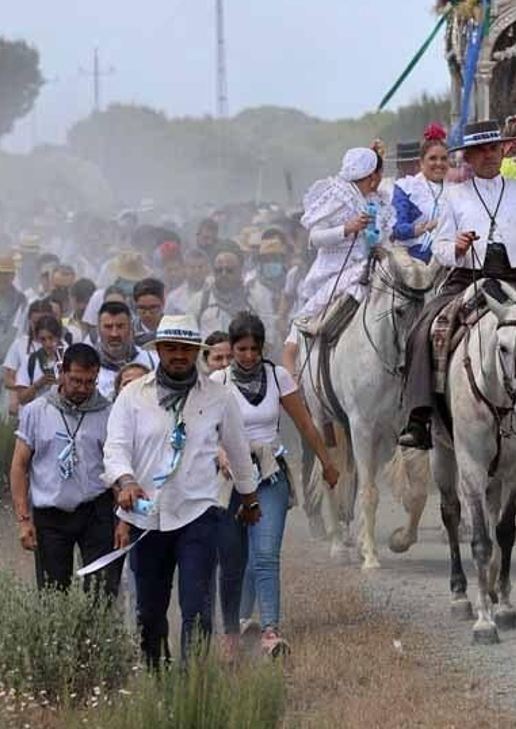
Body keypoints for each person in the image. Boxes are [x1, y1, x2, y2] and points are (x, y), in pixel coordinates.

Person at [397, 120, 516, 453]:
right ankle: (419, 417)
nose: (489, 155)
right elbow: (440, 247)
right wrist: (456, 247)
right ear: (468, 157)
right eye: (480, 151)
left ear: (503, 151)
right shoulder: (454, 194)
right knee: (422, 330)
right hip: (467, 277)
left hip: (515, 279)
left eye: (493, 148)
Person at [103, 314, 260, 666]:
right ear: (159, 349)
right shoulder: (132, 395)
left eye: (186, 349)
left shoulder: (219, 396)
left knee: (198, 608)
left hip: (198, 514)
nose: (178, 355)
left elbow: (238, 451)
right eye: (171, 348)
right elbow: (115, 448)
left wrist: (250, 499)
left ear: (196, 352)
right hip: (147, 516)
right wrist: (126, 481)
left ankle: (194, 682)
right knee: (149, 612)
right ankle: (157, 675)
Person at [210, 313, 339, 658]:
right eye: (242, 349)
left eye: (254, 349)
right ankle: (234, 627)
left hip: (270, 474)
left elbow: (305, 424)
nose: (249, 356)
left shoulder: (278, 377)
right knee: (234, 558)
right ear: (232, 348)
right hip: (231, 480)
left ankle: (270, 631)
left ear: (262, 347)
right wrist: (220, 454)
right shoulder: (218, 381)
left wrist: (327, 463)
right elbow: (205, 431)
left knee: (265, 554)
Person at [9, 342, 120, 596]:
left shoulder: (108, 413)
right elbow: (19, 465)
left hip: (95, 511)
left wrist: (122, 520)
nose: (82, 389)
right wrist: (24, 519)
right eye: (76, 381)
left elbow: (116, 467)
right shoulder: (36, 411)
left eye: (90, 382)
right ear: (62, 373)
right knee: (53, 594)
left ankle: (96, 624)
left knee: (101, 591)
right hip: (51, 514)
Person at [288, 145, 394, 365]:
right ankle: (298, 350)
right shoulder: (337, 195)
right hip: (335, 270)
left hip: (373, 265)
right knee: (321, 308)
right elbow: (314, 238)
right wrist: (347, 228)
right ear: (372, 176)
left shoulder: (378, 200)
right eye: (378, 174)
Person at [390, 125, 448, 264]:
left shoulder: (456, 188)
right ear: (421, 162)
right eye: (433, 158)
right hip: (416, 258)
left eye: (443, 158)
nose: (439, 163)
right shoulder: (406, 187)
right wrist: (429, 226)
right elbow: (398, 229)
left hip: (450, 254)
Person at [0, 253, 29, 417]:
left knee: (8, 416)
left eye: (6, 274)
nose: (2, 278)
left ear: (13, 276)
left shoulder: (22, 300)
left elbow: (24, 331)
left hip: (11, 367)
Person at [192, 247, 262, 338]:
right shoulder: (199, 301)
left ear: (240, 271)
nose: (223, 274)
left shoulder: (254, 300)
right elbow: (188, 339)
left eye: (229, 270)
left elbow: (266, 337)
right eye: (219, 270)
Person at [95, 300, 156, 399]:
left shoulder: (153, 361)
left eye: (120, 326)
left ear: (131, 328)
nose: (114, 334)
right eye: (108, 327)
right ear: (98, 330)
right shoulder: (89, 367)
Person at [12, 314, 67, 408]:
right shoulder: (30, 360)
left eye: (51, 338)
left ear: (58, 336)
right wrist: (38, 384)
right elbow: (21, 399)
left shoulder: (69, 358)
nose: (48, 343)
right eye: (43, 339)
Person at [131, 278, 166, 348]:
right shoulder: (128, 332)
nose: (147, 314)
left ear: (163, 303)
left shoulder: (174, 331)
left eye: (153, 308)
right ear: (135, 305)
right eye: (142, 308)